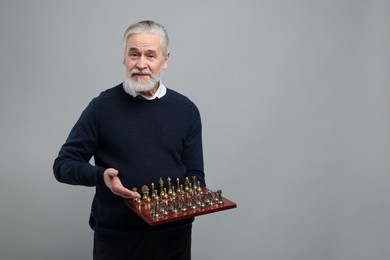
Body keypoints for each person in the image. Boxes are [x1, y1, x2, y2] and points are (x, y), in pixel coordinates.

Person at [53, 20, 205, 260]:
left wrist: (180, 209)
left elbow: (195, 177)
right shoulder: (101, 108)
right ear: (124, 57)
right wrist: (101, 176)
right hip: (117, 239)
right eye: (134, 54)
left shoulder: (186, 110)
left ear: (165, 60)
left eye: (150, 56)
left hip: (173, 239)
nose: (141, 64)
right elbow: (62, 165)